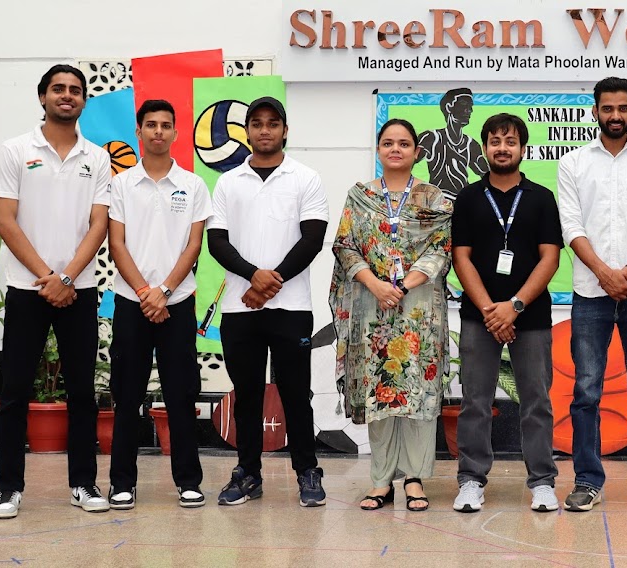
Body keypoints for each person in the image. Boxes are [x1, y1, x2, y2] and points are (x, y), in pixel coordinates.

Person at [0, 64, 111, 519]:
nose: (67, 96)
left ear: (83, 101)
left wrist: (67, 278)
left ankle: (83, 483)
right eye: (58, 89)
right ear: (43, 97)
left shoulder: (97, 158)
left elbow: (99, 224)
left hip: (79, 290)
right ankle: (7, 489)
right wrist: (48, 276)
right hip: (27, 289)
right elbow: (6, 221)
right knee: (15, 390)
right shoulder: (15, 150)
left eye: (75, 91)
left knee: (81, 392)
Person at [558, 76, 627, 512]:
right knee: (586, 389)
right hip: (590, 293)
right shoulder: (573, 164)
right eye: (608, 109)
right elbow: (572, 227)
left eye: (623, 108)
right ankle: (587, 480)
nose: (615, 116)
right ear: (595, 112)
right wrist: (605, 274)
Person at [208, 96, 329, 508]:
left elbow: (312, 239)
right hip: (241, 310)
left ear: (284, 129)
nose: (264, 130)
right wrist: (254, 277)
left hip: (292, 306)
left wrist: (268, 283)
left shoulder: (305, 178)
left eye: (272, 123)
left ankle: (307, 471)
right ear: (247, 131)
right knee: (247, 395)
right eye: (256, 123)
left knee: (297, 393)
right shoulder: (228, 182)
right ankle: (248, 473)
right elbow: (217, 242)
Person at [331, 119, 452, 512]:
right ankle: (381, 479)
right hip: (372, 307)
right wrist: (376, 285)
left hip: (418, 310)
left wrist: (402, 285)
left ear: (417, 151)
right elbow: (346, 245)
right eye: (388, 143)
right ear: (379, 150)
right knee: (379, 390)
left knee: (418, 390)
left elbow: (442, 248)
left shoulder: (436, 199)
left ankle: (415, 478)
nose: (396, 149)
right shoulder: (359, 196)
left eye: (404, 143)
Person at [451, 113, 562, 513]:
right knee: (475, 400)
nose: (502, 147)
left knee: (536, 401)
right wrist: (489, 309)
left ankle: (543, 481)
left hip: (529, 317)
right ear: (484, 148)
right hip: (477, 316)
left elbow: (550, 258)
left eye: (510, 141)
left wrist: (513, 307)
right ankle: (470, 480)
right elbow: (460, 257)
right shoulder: (467, 197)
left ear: (522, 148)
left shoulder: (540, 198)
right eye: (495, 141)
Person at [105, 99, 210, 510]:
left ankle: (188, 480)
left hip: (177, 302)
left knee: (181, 393)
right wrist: (146, 293)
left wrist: (163, 291)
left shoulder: (194, 184)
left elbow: (194, 245)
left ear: (176, 132)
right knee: (126, 394)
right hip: (132, 302)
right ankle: (122, 483)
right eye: (151, 125)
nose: (159, 132)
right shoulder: (121, 184)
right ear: (139, 132)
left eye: (166, 125)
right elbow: (116, 243)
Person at [417, 87, 489, 199]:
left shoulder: (471, 145)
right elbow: (406, 165)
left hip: (463, 204)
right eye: (464, 104)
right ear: (449, 107)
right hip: (438, 206)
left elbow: (487, 176)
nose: (469, 110)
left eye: (470, 106)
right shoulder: (431, 138)